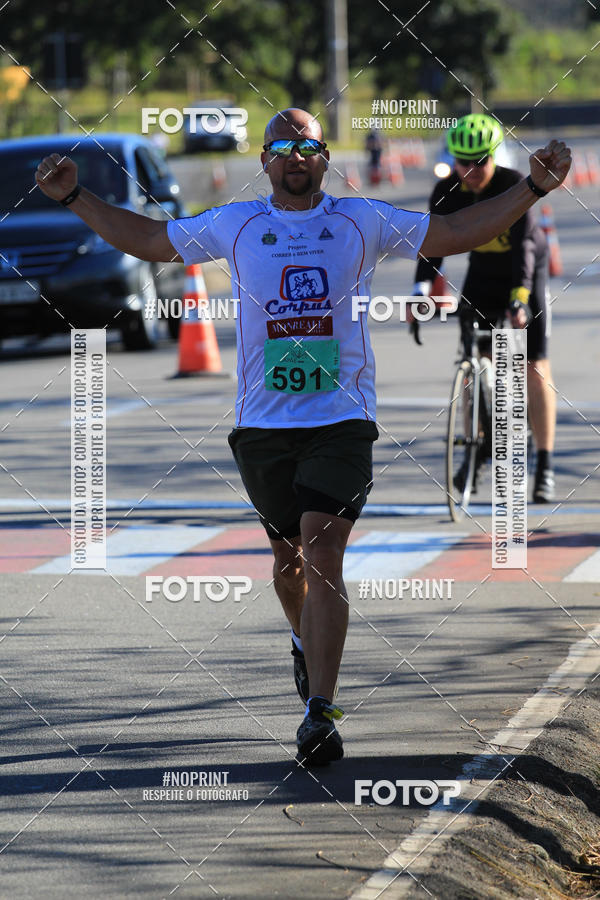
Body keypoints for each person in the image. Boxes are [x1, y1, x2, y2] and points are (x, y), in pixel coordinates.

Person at [35, 108, 571, 765]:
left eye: (310, 146)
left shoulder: (361, 220)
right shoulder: (235, 224)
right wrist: (74, 196)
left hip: (342, 419)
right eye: (284, 146)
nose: (297, 156)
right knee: (288, 561)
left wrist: (534, 188)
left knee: (322, 546)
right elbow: (150, 241)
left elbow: (459, 228)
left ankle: (321, 712)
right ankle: (302, 639)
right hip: (263, 426)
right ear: (263, 160)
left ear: (325, 157)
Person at [412, 113, 557, 503]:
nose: (472, 170)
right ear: (453, 158)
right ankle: (475, 454)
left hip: (522, 271)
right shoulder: (447, 190)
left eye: (481, 160)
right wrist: (419, 290)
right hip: (483, 271)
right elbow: (433, 245)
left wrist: (520, 301)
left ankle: (544, 464)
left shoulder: (513, 185)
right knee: (473, 363)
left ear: (496, 156)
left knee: (532, 365)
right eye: (463, 161)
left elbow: (526, 246)